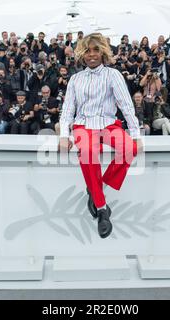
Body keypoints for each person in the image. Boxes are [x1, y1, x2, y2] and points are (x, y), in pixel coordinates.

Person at [58, 33, 142, 239]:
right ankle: (102, 208)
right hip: (83, 125)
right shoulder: (75, 79)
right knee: (87, 152)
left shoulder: (113, 75)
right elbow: (68, 108)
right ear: (82, 54)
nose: (92, 55)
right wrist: (64, 134)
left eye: (96, 50)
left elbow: (126, 106)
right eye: (88, 51)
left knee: (130, 149)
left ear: (103, 52)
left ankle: (96, 189)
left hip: (108, 124)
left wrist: (136, 134)